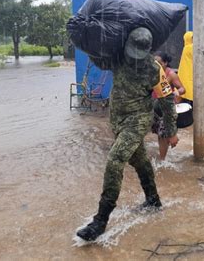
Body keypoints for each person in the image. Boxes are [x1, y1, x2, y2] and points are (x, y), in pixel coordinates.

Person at [76, 28, 178, 242]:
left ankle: (100, 220)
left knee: (115, 159)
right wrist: (87, 41)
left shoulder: (154, 68)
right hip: (117, 119)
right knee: (139, 160)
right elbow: (99, 61)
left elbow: (167, 100)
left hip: (138, 119)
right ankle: (153, 200)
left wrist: (171, 131)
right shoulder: (117, 57)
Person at [153, 51, 185, 160]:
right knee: (158, 133)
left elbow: (182, 88)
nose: (156, 65)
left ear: (165, 63)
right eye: (154, 63)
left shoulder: (171, 74)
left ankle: (162, 160)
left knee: (163, 134)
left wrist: (177, 92)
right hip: (153, 107)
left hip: (165, 107)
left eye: (159, 63)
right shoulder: (151, 73)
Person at [177, 31, 194, 104]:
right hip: (188, 77)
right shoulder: (189, 48)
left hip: (188, 77)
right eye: (192, 38)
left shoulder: (187, 48)